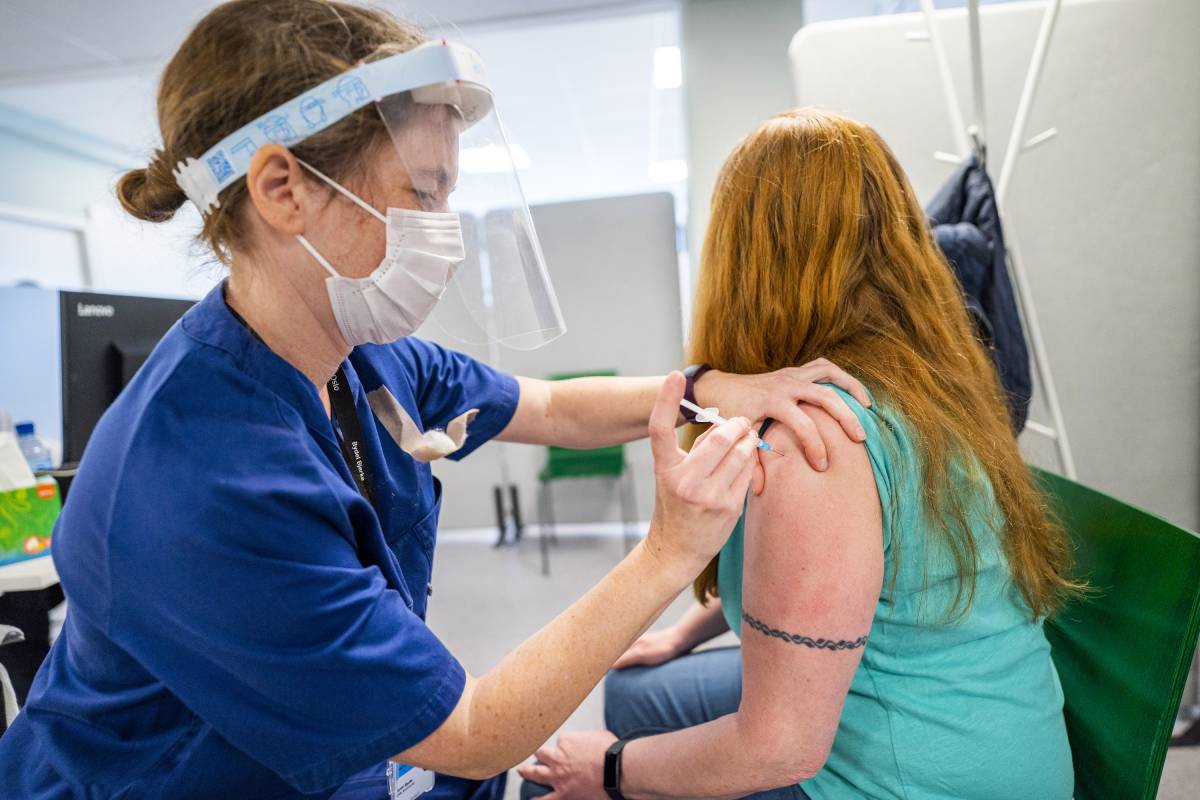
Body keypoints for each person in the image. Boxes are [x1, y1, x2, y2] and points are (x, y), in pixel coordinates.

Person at [0, 5, 871, 799]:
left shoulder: (358, 356)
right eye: (422, 193)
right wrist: (667, 554)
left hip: (328, 741)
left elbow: (549, 408)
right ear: (282, 189)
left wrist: (710, 388)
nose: (444, 230)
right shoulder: (208, 478)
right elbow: (472, 732)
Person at [519, 109, 1080, 799]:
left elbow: (779, 750)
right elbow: (830, 575)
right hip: (992, 734)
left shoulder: (816, 444)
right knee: (635, 689)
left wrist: (607, 770)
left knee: (555, 782)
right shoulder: (936, 387)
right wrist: (684, 635)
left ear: (747, 263)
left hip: (920, 780)